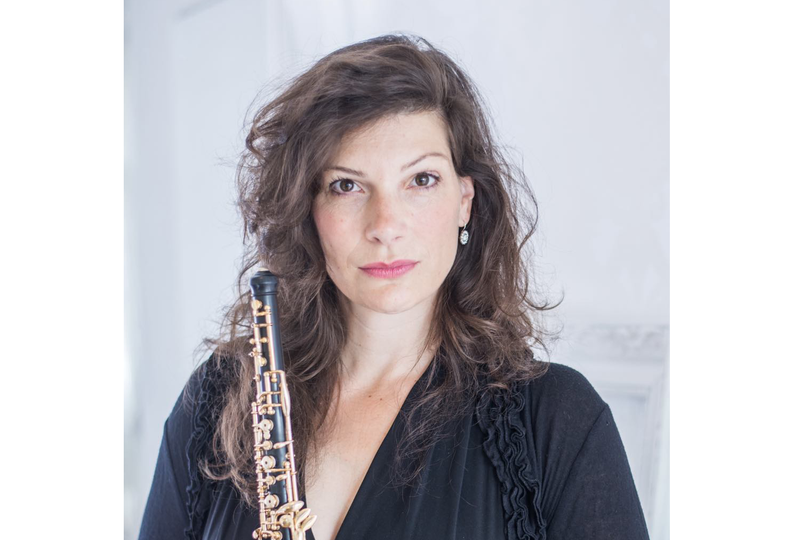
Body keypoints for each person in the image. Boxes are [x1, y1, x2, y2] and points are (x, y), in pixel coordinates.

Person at [138, 33, 649, 540]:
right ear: (308, 209)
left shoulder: (556, 420)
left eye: (421, 180)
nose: (385, 225)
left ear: (465, 201)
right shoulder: (219, 398)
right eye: (347, 185)